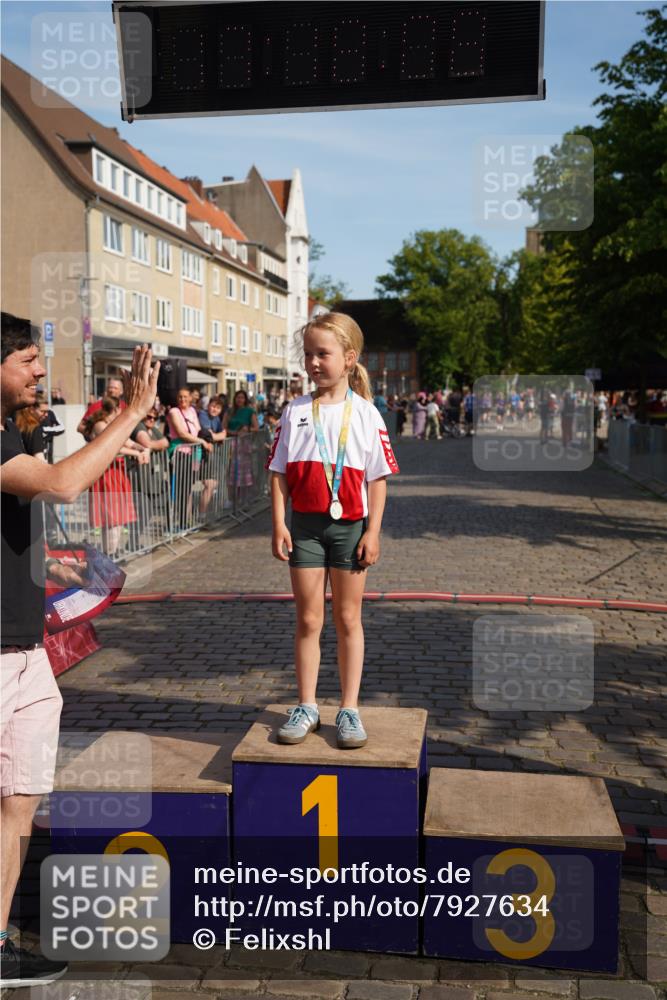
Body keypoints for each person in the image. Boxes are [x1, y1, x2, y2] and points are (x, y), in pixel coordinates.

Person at [0, 313, 158, 988]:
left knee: (21, 797)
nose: (41, 371)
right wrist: (132, 413)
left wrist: (48, 568)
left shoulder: (13, 430)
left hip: (25, 647)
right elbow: (63, 483)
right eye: (29, 360)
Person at [267, 312, 399, 750]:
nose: (313, 363)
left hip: (349, 529)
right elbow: (278, 472)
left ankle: (349, 708)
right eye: (308, 354)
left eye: (322, 354)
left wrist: (373, 532)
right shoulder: (295, 410)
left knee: (347, 619)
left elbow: (378, 478)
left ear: (348, 358)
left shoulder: (366, 414)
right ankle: (306, 705)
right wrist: (279, 524)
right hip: (304, 528)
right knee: (308, 619)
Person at [166, 388, 215, 525]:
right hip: (179, 453)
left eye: (185, 397)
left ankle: (185, 521)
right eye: (180, 397)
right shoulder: (174, 412)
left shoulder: (192, 411)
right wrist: (202, 442)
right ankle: (178, 521)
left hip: (192, 452)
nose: (183, 400)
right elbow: (182, 434)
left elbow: (198, 430)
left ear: (190, 398)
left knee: (188, 488)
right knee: (180, 489)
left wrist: (207, 440)